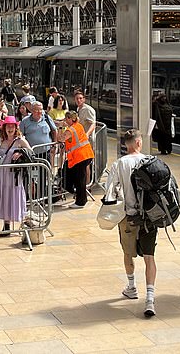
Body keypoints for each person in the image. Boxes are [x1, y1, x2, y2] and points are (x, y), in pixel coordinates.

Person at [104, 129, 157, 317]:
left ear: (126, 144)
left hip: (128, 217)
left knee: (128, 253)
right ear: (139, 143)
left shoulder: (119, 164)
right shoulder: (149, 161)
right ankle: (150, 299)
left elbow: (110, 192)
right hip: (149, 217)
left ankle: (132, 287)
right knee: (150, 257)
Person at [0, 116, 32, 235]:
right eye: (8, 126)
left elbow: (31, 153)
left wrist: (20, 153)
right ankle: (6, 225)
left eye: (12, 126)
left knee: (12, 196)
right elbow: (1, 153)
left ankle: (19, 222)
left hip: (13, 175)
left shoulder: (20, 141)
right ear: (4, 128)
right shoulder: (2, 140)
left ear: (16, 127)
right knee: (3, 197)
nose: (10, 128)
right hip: (1, 174)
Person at [58, 110, 94, 208]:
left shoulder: (70, 130)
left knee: (79, 180)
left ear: (70, 119)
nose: (65, 120)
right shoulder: (79, 126)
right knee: (77, 178)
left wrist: (60, 127)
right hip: (85, 155)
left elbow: (60, 138)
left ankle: (80, 201)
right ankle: (78, 195)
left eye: (66, 118)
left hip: (80, 157)